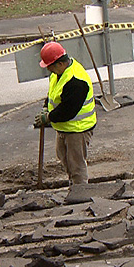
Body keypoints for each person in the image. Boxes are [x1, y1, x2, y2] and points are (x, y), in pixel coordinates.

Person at [34, 42, 97, 185]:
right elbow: (53, 94)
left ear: (61, 63)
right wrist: (46, 108)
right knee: (64, 157)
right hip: (64, 127)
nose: (49, 69)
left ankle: (81, 193)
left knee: (76, 165)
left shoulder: (76, 81)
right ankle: (73, 186)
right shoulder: (58, 74)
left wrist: (49, 117)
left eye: (50, 66)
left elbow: (68, 110)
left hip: (78, 129)